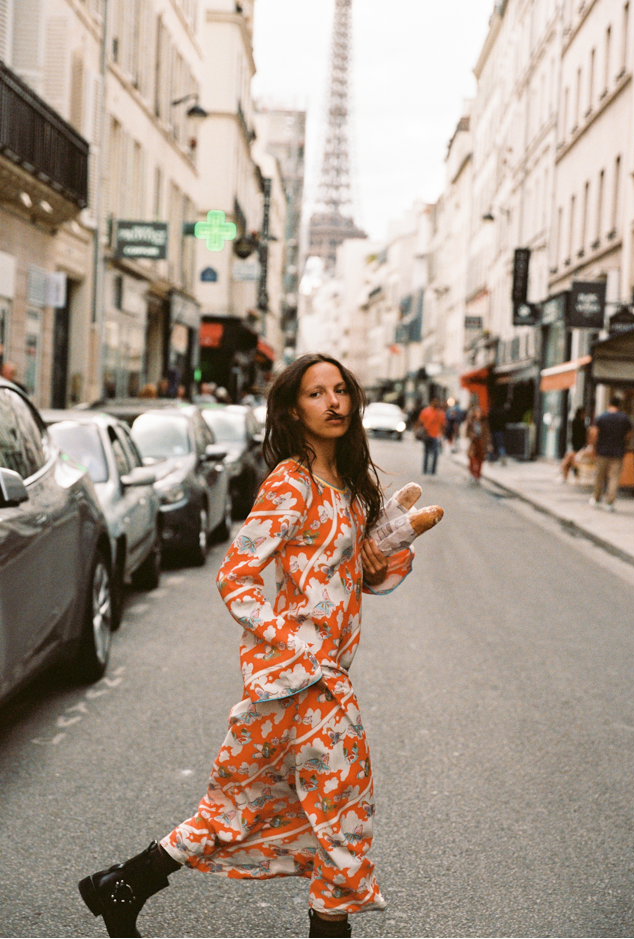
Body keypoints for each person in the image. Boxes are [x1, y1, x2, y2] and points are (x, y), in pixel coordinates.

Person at [78, 353, 425, 939]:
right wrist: (297, 643)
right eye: (317, 394)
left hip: (311, 679)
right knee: (341, 815)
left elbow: (345, 579)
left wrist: (378, 556)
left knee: (237, 808)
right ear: (294, 409)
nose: (334, 402)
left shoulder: (347, 483)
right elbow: (236, 576)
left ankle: (123, 886)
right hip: (303, 678)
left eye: (340, 390)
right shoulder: (291, 481)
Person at [589, 395, 633, 511]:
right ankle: (609, 503)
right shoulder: (624, 418)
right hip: (617, 452)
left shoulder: (601, 417)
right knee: (614, 478)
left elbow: (594, 433)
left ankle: (596, 499)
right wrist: (625, 444)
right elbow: (629, 435)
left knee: (599, 476)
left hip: (602, 451)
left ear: (609, 404)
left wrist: (594, 448)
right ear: (619, 405)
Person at [417, 397, 446, 475]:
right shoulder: (437, 412)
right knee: (430, 453)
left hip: (434, 435)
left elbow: (420, 422)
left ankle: (429, 470)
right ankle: (428, 470)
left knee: (431, 453)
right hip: (429, 434)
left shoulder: (429, 411)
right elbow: (443, 425)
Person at [559, 407, 588, 481]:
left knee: (569, 457)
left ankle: (563, 471)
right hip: (579, 447)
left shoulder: (577, 423)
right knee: (569, 457)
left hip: (580, 448)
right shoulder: (579, 423)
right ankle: (563, 472)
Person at [465, 404, 490, 482]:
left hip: (481, 442)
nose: (478, 414)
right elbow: (467, 433)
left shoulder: (484, 422)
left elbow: (487, 433)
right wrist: (472, 435)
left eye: (479, 412)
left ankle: (478, 474)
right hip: (474, 442)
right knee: (472, 458)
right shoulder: (471, 422)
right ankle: (472, 473)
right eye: (477, 412)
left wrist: (488, 443)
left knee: (480, 459)